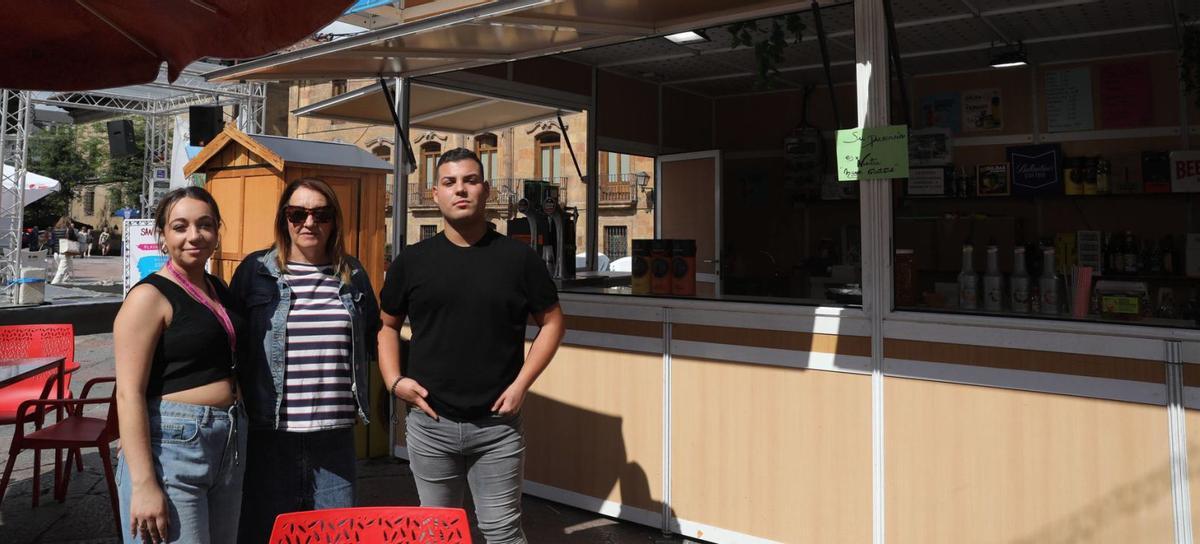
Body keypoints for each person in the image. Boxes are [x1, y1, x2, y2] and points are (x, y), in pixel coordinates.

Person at [378, 148, 565, 543]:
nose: (460, 190)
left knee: (503, 534)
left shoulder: (518, 259)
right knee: (437, 535)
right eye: (449, 182)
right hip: (431, 424)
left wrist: (521, 385)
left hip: (497, 427)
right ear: (435, 194)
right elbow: (386, 325)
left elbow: (552, 322)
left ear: (486, 190)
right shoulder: (412, 261)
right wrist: (395, 381)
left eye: (470, 180)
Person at [229, 178, 381, 543]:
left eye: (321, 214)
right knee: (265, 532)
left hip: (335, 435)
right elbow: (230, 340)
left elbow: (376, 335)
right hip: (271, 432)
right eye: (298, 213)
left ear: (334, 221)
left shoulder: (353, 274)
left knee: (335, 535)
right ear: (285, 219)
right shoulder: (257, 271)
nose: (309, 223)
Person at [112, 187, 247, 544]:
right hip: (172, 444)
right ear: (163, 235)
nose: (194, 236)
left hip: (228, 438)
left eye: (204, 225)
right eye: (180, 226)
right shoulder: (149, 296)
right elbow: (128, 392)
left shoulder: (219, 289)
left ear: (217, 231)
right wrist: (142, 483)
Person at [50, 216, 76, 284]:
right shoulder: (69, 229)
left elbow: (51, 242)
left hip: (56, 253)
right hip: (65, 253)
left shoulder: (54, 230)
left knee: (63, 268)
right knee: (61, 271)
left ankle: (66, 279)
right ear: (68, 222)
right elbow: (74, 239)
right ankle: (53, 284)